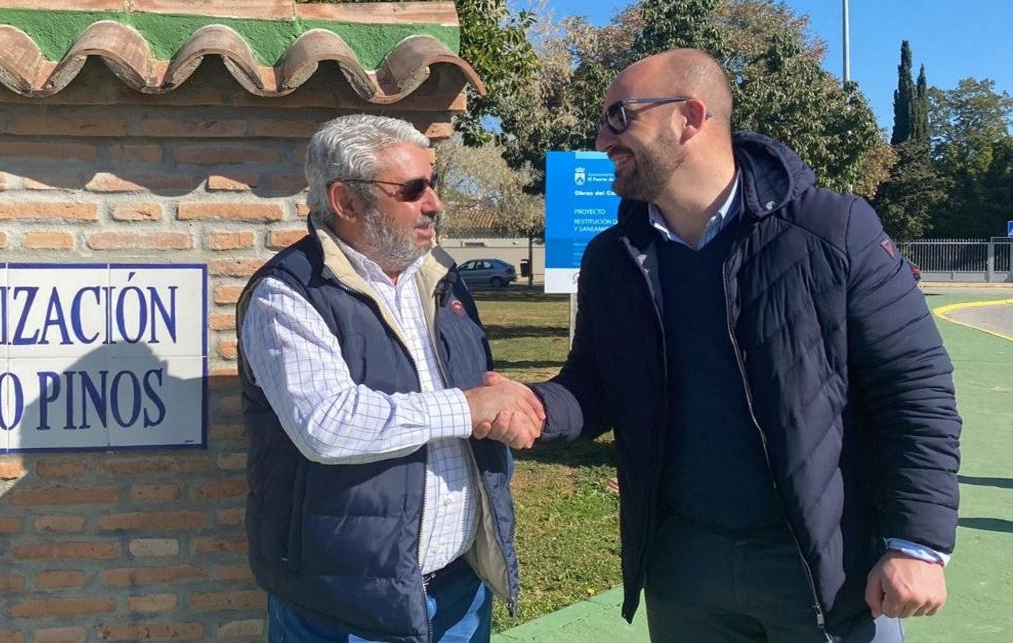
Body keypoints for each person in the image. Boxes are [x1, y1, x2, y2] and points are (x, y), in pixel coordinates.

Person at [529, 48, 961, 642]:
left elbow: (917, 390)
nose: (603, 138)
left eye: (619, 115)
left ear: (691, 116)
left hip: (820, 568)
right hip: (683, 568)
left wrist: (918, 542)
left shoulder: (833, 231)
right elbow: (594, 386)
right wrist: (533, 407)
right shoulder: (614, 258)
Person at [237, 113, 545, 642]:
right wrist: (469, 408)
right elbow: (326, 424)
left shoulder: (440, 281)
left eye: (435, 183)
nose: (435, 203)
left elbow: (477, 388)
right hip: (345, 610)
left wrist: (506, 415)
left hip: (459, 591)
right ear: (347, 202)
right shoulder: (288, 294)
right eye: (412, 188)